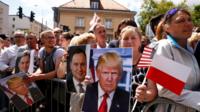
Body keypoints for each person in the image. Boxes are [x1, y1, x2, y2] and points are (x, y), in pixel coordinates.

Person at [135, 8, 200, 112]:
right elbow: (166, 90)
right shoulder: (164, 46)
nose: (187, 23)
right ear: (167, 27)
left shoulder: (191, 50)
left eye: (189, 19)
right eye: (181, 21)